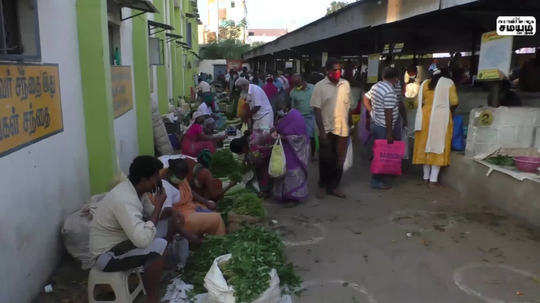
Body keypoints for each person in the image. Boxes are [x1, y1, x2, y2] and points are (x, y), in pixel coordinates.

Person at [90, 156, 169, 303]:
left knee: (162, 233)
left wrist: (165, 210)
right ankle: (152, 298)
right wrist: (158, 206)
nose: (158, 180)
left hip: (120, 245)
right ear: (144, 179)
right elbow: (142, 240)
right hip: (106, 256)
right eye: (155, 177)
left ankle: (153, 279)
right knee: (157, 249)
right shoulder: (124, 199)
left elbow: (151, 214)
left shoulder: (137, 190)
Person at [310, 58, 351, 199]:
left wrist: (351, 125)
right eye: (334, 69)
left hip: (342, 128)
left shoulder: (345, 84)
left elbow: (348, 107)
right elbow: (316, 109)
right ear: (327, 71)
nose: (337, 72)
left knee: (340, 159)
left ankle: (334, 186)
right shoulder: (319, 87)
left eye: (339, 69)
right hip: (326, 129)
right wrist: (321, 131)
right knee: (326, 159)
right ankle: (322, 185)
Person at [413, 67, 459, 186]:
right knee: (438, 145)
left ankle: (425, 177)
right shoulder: (448, 83)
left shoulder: (425, 84)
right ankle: (433, 180)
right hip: (441, 117)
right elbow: (454, 102)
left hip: (425, 117)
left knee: (425, 145)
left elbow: (417, 102)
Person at [364, 67, 402, 189]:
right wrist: (390, 133)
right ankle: (376, 180)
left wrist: (372, 112)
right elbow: (388, 114)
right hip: (385, 127)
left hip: (377, 124)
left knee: (380, 152)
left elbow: (365, 98)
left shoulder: (377, 86)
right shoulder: (389, 92)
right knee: (381, 154)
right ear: (395, 78)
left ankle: (384, 174)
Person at [167, 158, 226, 237]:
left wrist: (206, 202)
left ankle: (209, 236)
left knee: (216, 213)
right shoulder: (166, 186)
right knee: (217, 218)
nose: (181, 179)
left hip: (191, 207)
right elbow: (169, 212)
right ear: (171, 172)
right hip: (183, 217)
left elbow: (190, 191)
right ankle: (219, 241)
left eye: (183, 177)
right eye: (179, 177)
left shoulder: (182, 179)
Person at [273, 97, 310, 202]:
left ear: (287, 107)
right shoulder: (283, 116)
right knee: (282, 170)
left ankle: (294, 197)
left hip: (295, 151)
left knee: (293, 173)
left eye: (281, 108)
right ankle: (284, 195)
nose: (279, 110)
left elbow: (300, 136)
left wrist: (283, 137)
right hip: (284, 149)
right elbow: (278, 127)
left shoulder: (296, 116)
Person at [230, 132, 275, 197]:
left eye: (241, 152)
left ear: (242, 148)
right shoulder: (247, 139)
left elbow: (259, 162)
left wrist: (250, 164)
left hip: (272, 153)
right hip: (268, 150)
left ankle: (266, 191)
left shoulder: (252, 145)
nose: (242, 153)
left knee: (262, 171)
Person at [289, 73, 317, 160]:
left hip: (312, 116)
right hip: (300, 117)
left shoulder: (313, 88)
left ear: (303, 81)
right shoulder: (293, 93)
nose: (297, 85)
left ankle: (312, 155)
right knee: (301, 137)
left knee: (312, 137)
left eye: (298, 83)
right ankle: (301, 154)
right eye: (295, 84)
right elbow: (293, 108)